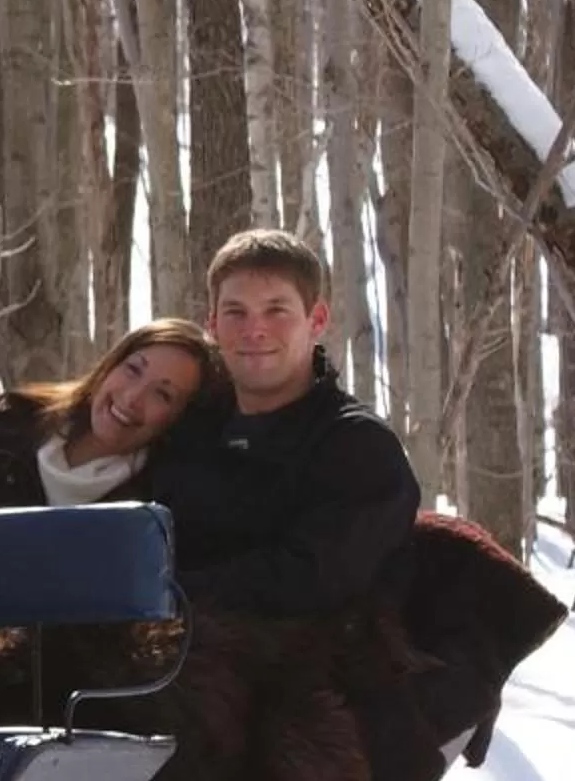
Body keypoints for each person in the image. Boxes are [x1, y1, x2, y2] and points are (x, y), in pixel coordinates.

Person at [151, 229, 420, 614]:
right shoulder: (188, 433)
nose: (254, 330)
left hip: (310, 648)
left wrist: (161, 591)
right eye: (235, 312)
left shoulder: (357, 446)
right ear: (212, 325)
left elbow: (311, 580)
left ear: (317, 319)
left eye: (276, 310)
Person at [0, 320, 222, 514]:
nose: (131, 398)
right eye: (133, 370)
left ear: (178, 418)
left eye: (162, 395)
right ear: (109, 366)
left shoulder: (161, 505)